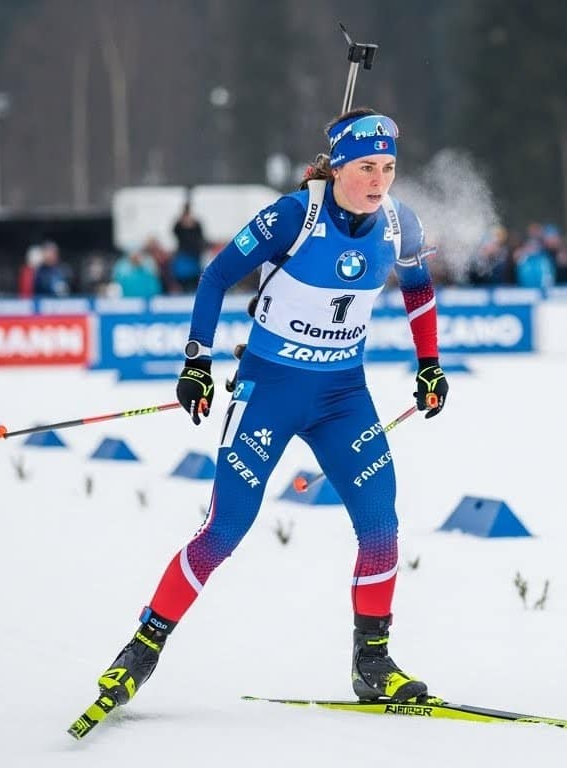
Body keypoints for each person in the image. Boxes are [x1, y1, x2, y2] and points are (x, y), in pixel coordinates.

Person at [79, 108, 449, 726]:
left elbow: (418, 291)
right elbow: (216, 277)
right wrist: (196, 360)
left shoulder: (397, 224)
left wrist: (429, 365)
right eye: (365, 168)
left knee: (382, 523)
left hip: (342, 397)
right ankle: (140, 651)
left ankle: (373, 663)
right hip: (269, 391)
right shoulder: (292, 216)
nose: (379, 180)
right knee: (225, 529)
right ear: (337, 168)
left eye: (388, 167)